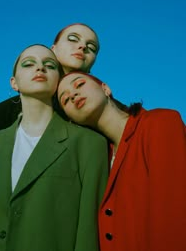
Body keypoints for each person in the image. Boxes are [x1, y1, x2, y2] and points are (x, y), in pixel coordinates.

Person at [0, 45, 109, 251]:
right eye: (28, 64)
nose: (40, 68)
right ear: (14, 82)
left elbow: (89, 232)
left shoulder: (89, 145)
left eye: (49, 65)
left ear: (58, 82)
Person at [57, 71, 186, 251]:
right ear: (71, 119)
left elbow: (173, 214)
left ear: (105, 88)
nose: (72, 95)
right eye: (65, 100)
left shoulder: (160, 123)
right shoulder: (101, 159)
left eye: (79, 84)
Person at [0, 23, 100, 135]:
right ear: (53, 49)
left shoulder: (99, 106)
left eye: (92, 47)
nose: (83, 46)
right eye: (73, 39)